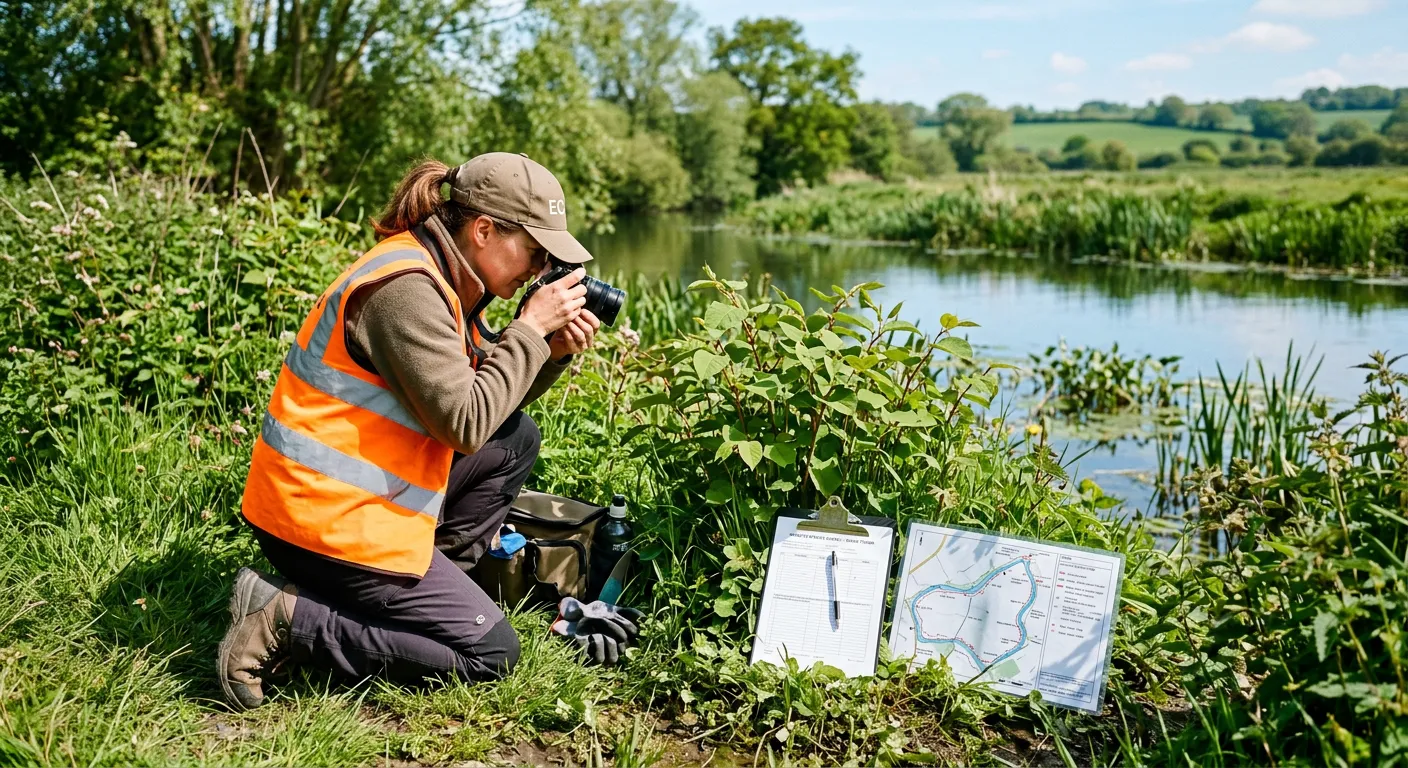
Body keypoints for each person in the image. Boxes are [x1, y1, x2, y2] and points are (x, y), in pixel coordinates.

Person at [216, 152, 601, 711]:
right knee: (492, 656)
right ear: (484, 230)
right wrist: (530, 327)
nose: (542, 270)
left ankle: (423, 592)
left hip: (347, 504)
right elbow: (464, 424)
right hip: (317, 521)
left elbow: (486, 408)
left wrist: (547, 350)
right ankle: (285, 619)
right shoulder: (408, 291)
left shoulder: (446, 275)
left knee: (515, 439)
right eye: (536, 252)